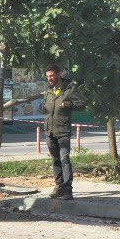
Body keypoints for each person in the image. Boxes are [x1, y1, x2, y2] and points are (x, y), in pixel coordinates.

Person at [33, 66, 84, 199]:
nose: (49, 78)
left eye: (51, 76)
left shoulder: (69, 89)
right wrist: (42, 108)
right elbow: (47, 108)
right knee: (55, 160)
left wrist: (69, 105)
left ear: (58, 75)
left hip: (63, 130)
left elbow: (82, 104)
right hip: (49, 130)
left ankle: (68, 189)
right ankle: (59, 186)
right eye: (47, 76)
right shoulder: (49, 91)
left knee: (64, 158)